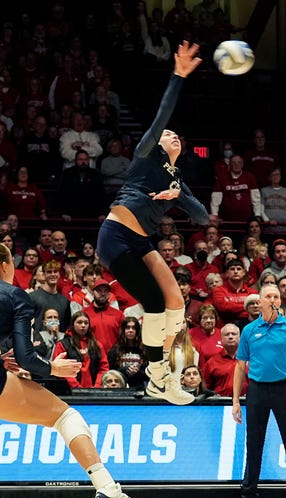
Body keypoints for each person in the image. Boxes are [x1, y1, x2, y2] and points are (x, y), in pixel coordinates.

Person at [0, 240, 148, 498]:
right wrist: (53, 368)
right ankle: (109, 491)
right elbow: (27, 358)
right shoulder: (15, 295)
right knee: (64, 415)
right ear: (5, 266)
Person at [95, 41, 208, 406]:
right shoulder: (146, 154)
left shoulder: (176, 180)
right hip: (115, 237)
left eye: (177, 135)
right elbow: (162, 115)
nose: (171, 134)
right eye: (167, 134)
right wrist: (177, 76)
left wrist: (179, 197)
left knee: (176, 301)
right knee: (156, 304)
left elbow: (204, 218)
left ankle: (164, 369)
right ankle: (157, 374)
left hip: (141, 241)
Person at [228, 284, 286, 498]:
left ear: (280, 301)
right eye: (268, 296)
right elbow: (240, 367)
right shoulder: (249, 330)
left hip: (285, 389)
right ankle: (249, 497)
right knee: (254, 442)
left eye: (276, 296)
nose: (272, 299)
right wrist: (236, 400)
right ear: (259, 301)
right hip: (257, 390)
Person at [53, 310, 109, 389]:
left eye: (86, 323)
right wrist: (77, 387)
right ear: (72, 324)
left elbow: (103, 368)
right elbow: (61, 369)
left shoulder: (97, 345)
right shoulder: (62, 345)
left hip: (95, 390)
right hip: (70, 390)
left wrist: (97, 386)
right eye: (79, 322)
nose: (83, 325)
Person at [107, 316, 149, 389]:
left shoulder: (144, 350)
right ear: (123, 330)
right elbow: (110, 373)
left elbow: (149, 375)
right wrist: (124, 369)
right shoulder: (115, 350)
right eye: (127, 328)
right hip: (120, 389)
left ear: (138, 331)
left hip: (140, 389)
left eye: (133, 328)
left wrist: (138, 371)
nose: (130, 330)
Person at [203, 322, 244, 397]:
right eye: (227, 334)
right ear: (221, 339)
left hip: (245, 403)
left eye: (233, 334)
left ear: (240, 338)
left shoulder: (250, 360)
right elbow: (205, 387)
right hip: (219, 404)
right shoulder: (212, 362)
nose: (230, 337)